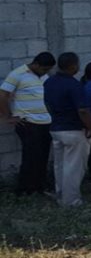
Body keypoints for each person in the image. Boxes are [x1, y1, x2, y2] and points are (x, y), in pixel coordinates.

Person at [43, 53, 91, 207]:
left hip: (56, 128)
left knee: (59, 165)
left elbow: (47, 104)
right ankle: (72, 201)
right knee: (73, 167)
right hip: (73, 130)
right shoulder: (74, 85)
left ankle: (61, 195)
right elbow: (83, 110)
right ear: (73, 66)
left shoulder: (49, 82)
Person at [1, 52, 56, 196]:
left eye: (48, 70)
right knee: (30, 157)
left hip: (46, 122)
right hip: (28, 123)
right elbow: (3, 95)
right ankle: (25, 189)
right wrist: (8, 116)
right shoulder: (17, 74)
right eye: (44, 69)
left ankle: (39, 186)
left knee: (43, 156)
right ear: (36, 64)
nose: (45, 72)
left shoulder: (44, 76)